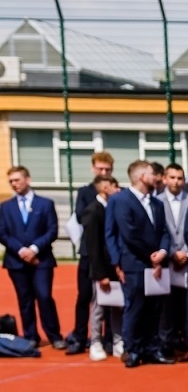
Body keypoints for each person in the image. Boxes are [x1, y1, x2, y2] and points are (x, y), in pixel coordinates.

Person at [104, 160, 174, 367]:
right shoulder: (121, 201)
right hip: (134, 264)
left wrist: (162, 253)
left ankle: (152, 348)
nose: (158, 178)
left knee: (154, 309)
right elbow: (128, 234)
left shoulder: (157, 203)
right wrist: (150, 257)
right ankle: (132, 350)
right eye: (153, 174)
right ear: (142, 176)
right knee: (135, 308)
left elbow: (164, 232)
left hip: (156, 265)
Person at [1, 165, 66, 349]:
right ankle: (31, 336)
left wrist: (34, 249)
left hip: (42, 260)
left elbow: (52, 230)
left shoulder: (45, 204)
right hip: (16, 261)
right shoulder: (5, 207)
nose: (14, 184)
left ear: (27, 180)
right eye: (11, 181)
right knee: (25, 299)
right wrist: (22, 251)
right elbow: (2, 232)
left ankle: (54, 336)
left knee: (44, 296)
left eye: (17, 180)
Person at [65, 150, 118, 354]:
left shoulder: (117, 191)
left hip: (110, 254)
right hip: (89, 253)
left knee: (111, 298)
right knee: (85, 296)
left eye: (107, 169)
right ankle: (80, 336)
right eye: (100, 168)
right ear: (92, 168)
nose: (103, 172)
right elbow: (80, 216)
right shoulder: (85, 192)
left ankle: (109, 338)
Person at [156, 162, 188, 359]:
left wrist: (186, 253)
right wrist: (172, 253)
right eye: (172, 177)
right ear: (165, 179)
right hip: (166, 259)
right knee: (167, 304)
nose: (176, 181)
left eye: (180, 178)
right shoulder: (156, 201)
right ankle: (167, 343)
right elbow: (157, 231)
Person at [81, 175, 123, 361]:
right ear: (105, 188)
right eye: (115, 186)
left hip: (115, 266)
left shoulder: (113, 207)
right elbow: (93, 246)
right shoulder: (93, 211)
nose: (118, 189)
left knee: (117, 306)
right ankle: (95, 341)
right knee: (98, 307)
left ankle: (117, 341)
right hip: (101, 269)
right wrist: (100, 274)